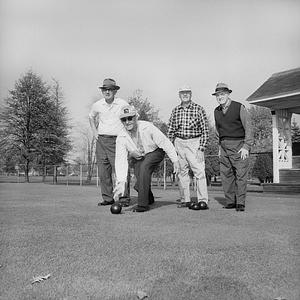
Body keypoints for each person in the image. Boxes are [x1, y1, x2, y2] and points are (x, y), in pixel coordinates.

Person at [113, 105, 179, 212]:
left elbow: (164, 142)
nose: (127, 121)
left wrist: (175, 160)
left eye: (130, 118)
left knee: (144, 167)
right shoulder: (121, 137)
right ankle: (149, 197)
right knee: (140, 177)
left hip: (156, 151)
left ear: (136, 117)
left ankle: (143, 205)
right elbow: (120, 161)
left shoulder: (147, 127)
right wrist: (121, 183)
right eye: (123, 119)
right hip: (140, 157)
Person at [89, 78, 130, 206]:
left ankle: (124, 198)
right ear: (102, 91)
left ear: (115, 91)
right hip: (101, 140)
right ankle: (108, 198)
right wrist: (95, 132)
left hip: (117, 140)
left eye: (110, 90)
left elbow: (133, 116)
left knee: (120, 170)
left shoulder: (122, 103)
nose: (107, 92)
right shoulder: (97, 105)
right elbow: (91, 116)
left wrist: (126, 133)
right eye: (105, 89)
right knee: (103, 171)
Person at [213, 83, 253, 212]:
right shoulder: (216, 111)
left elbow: (249, 127)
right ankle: (230, 201)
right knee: (226, 175)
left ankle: (240, 203)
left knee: (241, 174)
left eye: (222, 94)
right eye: (218, 95)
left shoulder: (239, 107)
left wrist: (246, 146)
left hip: (239, 145)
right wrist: (220, 147)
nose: (220, 97)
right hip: (224, 146)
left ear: (228, 94)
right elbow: (218, 131)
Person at [167, 86, 209, 209]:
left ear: (191, 94)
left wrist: (201, 148)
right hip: (179, 142)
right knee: (181, 172)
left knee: (199, 172)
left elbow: (205, 130)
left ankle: (203, 200)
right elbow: (170, 130)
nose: (185, 95)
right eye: (183, 93)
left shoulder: (198, 109)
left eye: (187, 93)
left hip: (194, 142)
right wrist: (170, 148)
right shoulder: (175, 110)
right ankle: (185, 200)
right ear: (179, 95)